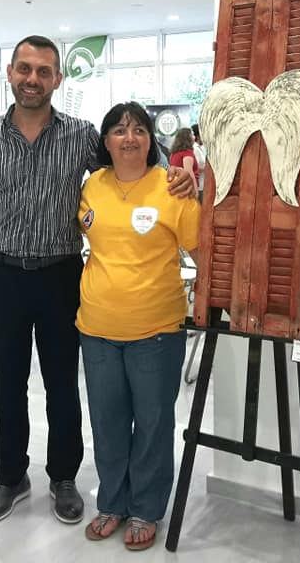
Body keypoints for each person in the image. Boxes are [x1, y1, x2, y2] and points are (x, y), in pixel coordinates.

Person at [0, 35, 197, 526]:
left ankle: (63, 478)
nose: (33, 79)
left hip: (62, 277)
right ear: (10, 73)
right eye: (25, 69)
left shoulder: (81, 135)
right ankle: (10, 477)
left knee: (63, 385)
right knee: (8, 385)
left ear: (58, 79)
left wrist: (176, 175)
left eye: (43, 71)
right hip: (2, 275)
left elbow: (129, 166)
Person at [76, 102, 200, 551]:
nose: (129, 138)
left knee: (152, 423)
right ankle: (112, 502)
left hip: (156, 330)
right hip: (97, 327)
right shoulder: (92, 187)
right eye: (119, 130)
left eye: (139, 130)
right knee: (107, 422)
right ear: (106, 142)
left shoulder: (172, 188)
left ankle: (146, 507)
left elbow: (201, 252)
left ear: (151, 140)